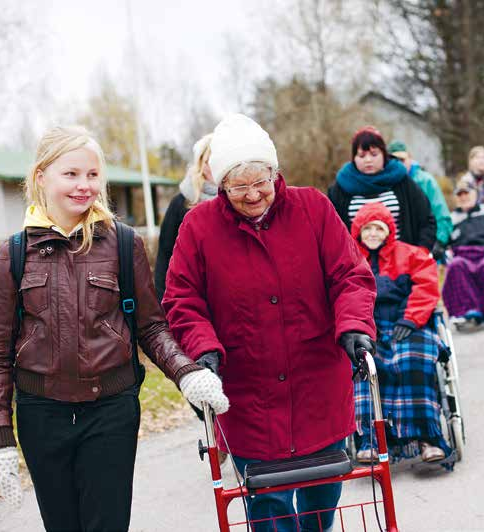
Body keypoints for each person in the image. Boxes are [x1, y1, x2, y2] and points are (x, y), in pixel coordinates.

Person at [0, 126, 229, 532]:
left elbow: (150, 327)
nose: (84, 186)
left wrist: (187, 372)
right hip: (41, 416)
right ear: (42, 176)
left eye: (93, 175)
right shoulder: (15, 252)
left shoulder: (123, 243)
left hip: (111, 412)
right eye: (71, 174)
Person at [162, 113, 377, 532]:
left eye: (260, 181)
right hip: (249, 399)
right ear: (221, 185)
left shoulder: (313, 207)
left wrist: (353, 325)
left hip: (319, 389)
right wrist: (203, 348)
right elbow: (181, 299)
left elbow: (350, 275)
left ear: (275, 173)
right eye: (239, 186)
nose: (253, 194)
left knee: (322, 503)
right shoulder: (198, 226)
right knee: (269, 511)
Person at [351, 202, 449, 463]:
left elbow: (427, 288)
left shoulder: (412, 254)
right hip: (368, 326)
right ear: (358, 231)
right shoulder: (349, 259)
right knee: (364, 363)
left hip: (407, 322)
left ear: (389, 231)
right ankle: (369, 439)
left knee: (412, 359)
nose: (372, 233)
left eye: (379, 228)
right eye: (367, 228)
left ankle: (426, 437)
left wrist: (411, 319)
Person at [328, 126, 436, 250]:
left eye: (374, 154)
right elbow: (331, 230)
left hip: (402, 263)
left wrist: (419, 253)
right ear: (354, 158)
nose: (368, 160)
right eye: (362, 156)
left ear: (384, 154)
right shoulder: (341, 186)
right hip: (357, 264)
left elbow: (427, 220)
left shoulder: (402, 181)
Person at [154, 133, 217, 302]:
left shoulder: (242, 200)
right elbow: (165, 255)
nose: (214, 166)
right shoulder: (181, 202)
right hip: (190, 296)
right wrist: (163, 303)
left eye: (218, 160)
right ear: (201, 163)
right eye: (209, 161)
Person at [387, 140, 453, 261]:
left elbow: (441, 213)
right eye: (394, 160)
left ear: (410, 158)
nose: (399, 164)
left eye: (402, 160)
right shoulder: (386, 183)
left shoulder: (426, 181)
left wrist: (439, 242)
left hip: (425, 244)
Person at [442, 180, 484, 327]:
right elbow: (444, 241)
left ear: (475, 193)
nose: (463, 197)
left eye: (467, 193)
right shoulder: (451, 219)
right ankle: (466, 312)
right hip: (463, 255)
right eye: (460, 194)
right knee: (456, 265)